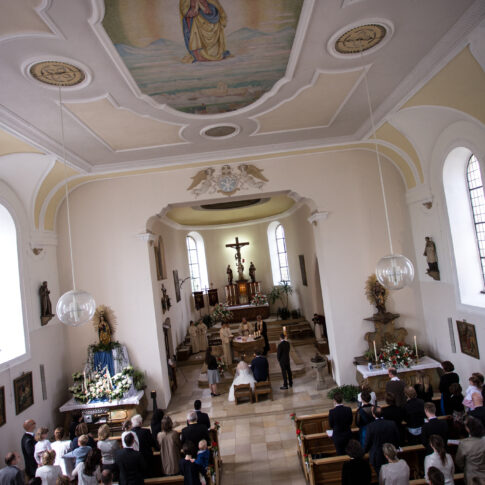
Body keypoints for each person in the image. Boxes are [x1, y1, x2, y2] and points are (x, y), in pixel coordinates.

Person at [364, 407, 400, 475]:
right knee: (392, 474)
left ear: (373, 415)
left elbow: (367, 442)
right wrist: (396, 447)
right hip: (390, 452)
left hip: (377, 456)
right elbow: (397, 438)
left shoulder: (370, 427)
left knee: (381, 475)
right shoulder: (392, 423)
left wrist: (364, 451)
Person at [455, 416, 485, 484]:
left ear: (468, 429)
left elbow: (459, 461)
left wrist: (466, 467)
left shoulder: (464, 444)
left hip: (472, 476)